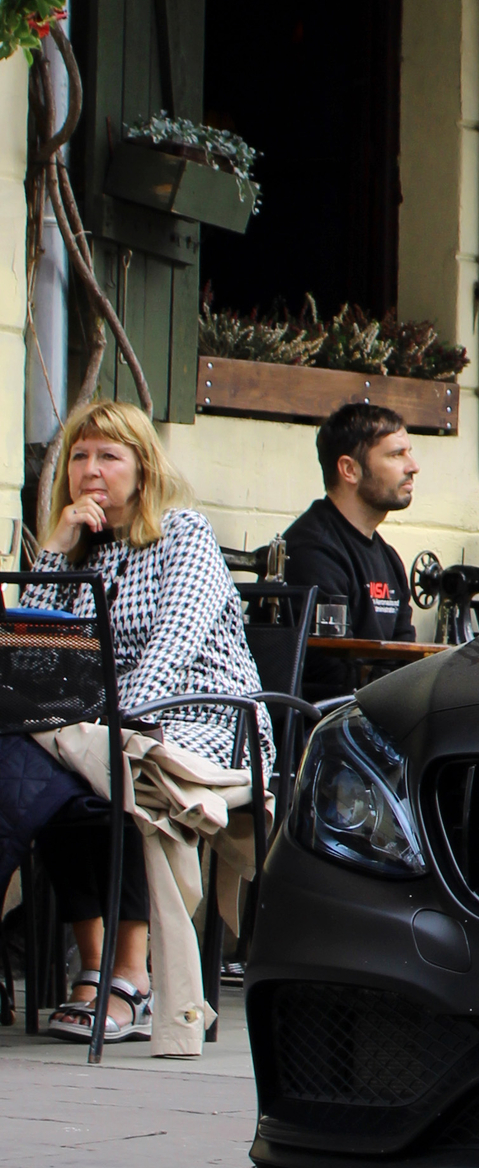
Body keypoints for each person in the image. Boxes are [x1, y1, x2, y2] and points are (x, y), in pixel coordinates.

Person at [7, 399, 270, 1043]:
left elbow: (171, 651)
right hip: (87, 724)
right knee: (31, 778)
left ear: (143, 467)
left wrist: (103, 728)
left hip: (195, 715)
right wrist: (55, 548)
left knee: (92, 773)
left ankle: (130, 975)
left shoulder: (183, 534)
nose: (90, 470)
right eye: (78, 457)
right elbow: (34, 656)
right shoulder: (77, 547)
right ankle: (97, 971)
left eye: (108, 456)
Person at [281, 402, 419, 640]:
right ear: (349, 469)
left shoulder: (390, 561)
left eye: (409, 452)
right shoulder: (313, 552)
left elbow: (406, 664)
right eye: (396, 454)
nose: (413, 467)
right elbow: (330, 670)